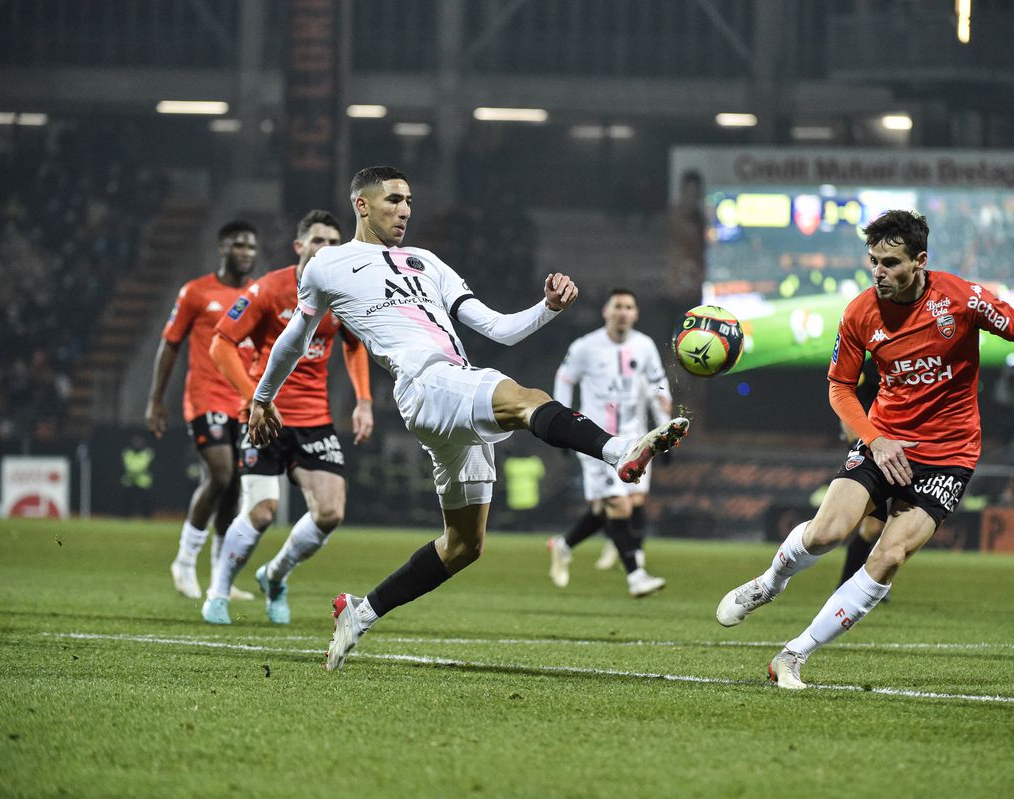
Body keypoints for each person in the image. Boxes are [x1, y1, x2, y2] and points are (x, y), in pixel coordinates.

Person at [246, 166, 690, 671]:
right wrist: (263, 397)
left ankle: (360, 612)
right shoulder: (328, 263)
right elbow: (294, 340)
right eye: (394, 200)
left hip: (453, 384)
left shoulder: (428, 262)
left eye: (410, 200)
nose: (406, 210)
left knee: (464, 545)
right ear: (362, 205)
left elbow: (499, 329)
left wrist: (545, 308)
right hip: (424, 383)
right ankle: (619, 450)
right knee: (528, 398)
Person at [715, 210, 1014, 689]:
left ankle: (793, 656)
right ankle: (770, 583)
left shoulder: (962, 300)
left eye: (890, 262)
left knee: (889, 557)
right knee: (827, 533)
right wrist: (876, 439)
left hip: (950, 453)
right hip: (884, 441)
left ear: (920, 261)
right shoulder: (859, 313)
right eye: (873, 260)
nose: (878, 271)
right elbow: (839, 387)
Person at [202, 209, 375, 625]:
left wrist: (364, 400)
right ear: (300, 247)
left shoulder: (344, 293)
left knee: (330, 513)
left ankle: (274, 576)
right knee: (261, 513)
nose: (327, 250)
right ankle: (218, 592)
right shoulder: (270, 289)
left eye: (335, 243)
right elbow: (221, 344)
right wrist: (255, 399)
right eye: (319, 241)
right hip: (266, 417)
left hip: (315, 419)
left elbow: (354, 345)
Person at [147, 220, 259, 601]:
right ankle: (184, 560)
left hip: (242, 402)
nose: (246, 252)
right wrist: (155, 400)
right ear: (222, 248)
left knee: (235, 488)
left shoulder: (257, 295)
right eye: (238, 244)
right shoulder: (196, 292)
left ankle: (219, 581)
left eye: (251, 246)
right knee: (220, 473)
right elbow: (170, 344)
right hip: (205, 396)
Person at [548, 288, 672, 596]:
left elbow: (658, 383)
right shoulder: (585, 347)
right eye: (617, 306)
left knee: (621, 506)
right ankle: (636, 575)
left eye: (629, 306)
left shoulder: (644, 346)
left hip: (635, 438)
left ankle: (564, 546)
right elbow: (565, 379)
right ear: (606, 311)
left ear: (635, 314)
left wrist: (663, 425)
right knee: (618, 504)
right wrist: (561, 425)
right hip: (596, 440)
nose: (623, 311)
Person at [121, 434, 154, 519]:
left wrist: (134, 472)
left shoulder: (147, 452)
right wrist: (134, 472)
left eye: (139, 443)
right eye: (136, 443)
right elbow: (128, 466)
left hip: (143, 483)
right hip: (130, 482)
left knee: (145, 503)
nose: (137, 445)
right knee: (128, 502)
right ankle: (126, 518)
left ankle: (146, 518)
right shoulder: (128, 453)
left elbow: (144, 465)